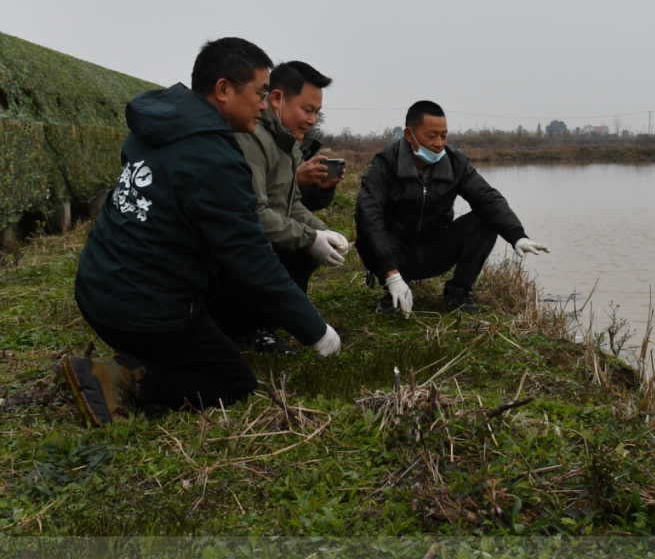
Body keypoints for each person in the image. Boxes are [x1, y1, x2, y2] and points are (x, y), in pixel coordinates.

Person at [61, 38, 341, 427]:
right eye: (260, 93)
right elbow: (251, 258)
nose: (263, 104)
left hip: (97, 284)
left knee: (219, 319)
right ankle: (120, 375)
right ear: (223, 89)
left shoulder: (159, 124)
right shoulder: (213, 157)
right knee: (233, 380)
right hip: (140, 308)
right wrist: (315, 330)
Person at [354, 100, 549, 316]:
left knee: (486, 220)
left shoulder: (457, 163)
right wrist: (390, 272)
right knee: (366, 233)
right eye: (431, 136)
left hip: (435, 249)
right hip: (397, 252)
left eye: (444, 135)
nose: (439, 143)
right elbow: (368, 213)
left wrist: (517, 235)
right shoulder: (385, 163)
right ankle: (395, 287)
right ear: (409, 135)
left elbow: (488, 199)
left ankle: (458, 291)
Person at [206, 60, 347, 353]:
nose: (311, 120)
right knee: (292, 246)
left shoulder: (287, 143)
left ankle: (266, 321)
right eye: (307, 110)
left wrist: (322, 231)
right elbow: (251, 214)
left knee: (303, 246)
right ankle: (244, 328)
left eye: (317, 113)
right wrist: (310, 238)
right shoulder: (250, 138)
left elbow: (292, 204)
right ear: (276, 99)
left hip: (252, 246)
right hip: (225, 259)